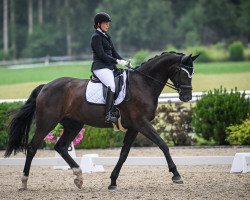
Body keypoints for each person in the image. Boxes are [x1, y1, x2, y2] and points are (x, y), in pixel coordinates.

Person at [91, 12, 130, 125]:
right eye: (106, 23)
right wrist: (116, 61)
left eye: (108, 24)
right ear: (99, 24)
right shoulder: (96, 37)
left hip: (109, 66)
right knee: (111, 85)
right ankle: (109, 114)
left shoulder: (106, 36)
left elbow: (114, 52)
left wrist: (125, 62)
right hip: (100, 67)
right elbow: (102, 55)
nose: (108, 25)